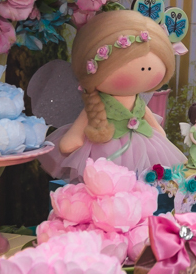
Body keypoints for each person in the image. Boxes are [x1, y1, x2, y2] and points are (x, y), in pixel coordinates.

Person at [40, 10, 186, 181]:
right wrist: (74, 136)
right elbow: (71, 139)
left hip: (145, 145)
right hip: (105, 146)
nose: (144, 73)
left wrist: (158, 131)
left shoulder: (138, 101)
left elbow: (154, 126)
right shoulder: (97, 103)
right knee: (105, 183)